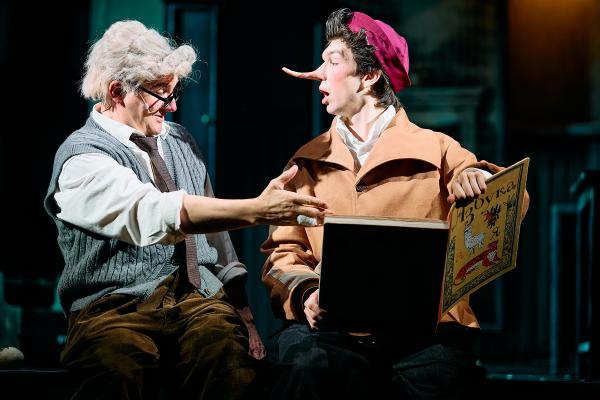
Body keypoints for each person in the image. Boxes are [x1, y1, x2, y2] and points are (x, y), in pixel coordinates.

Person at [43, 20, 330, 400]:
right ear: (117, 92)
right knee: (118, 369)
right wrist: (258, 210)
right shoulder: (82, 159)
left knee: (228, 362)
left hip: (196, 300)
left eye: (174, 91)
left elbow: (215, 238)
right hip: (111, 306)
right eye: (161, 94)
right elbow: (153, 212)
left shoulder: (180, 140)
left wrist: (244, 315)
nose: (173, 105)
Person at [261, 8, 530, 400]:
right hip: (333, 333)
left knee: (443, 382)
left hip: (425, 335)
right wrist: (306, 293)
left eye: (332, 62)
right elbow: (283, 253)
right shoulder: (306, 163)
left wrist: (478, 180)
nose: (319, 73)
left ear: (369, 76)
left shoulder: (438, 149)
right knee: (305, 369)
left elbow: (509, 202)